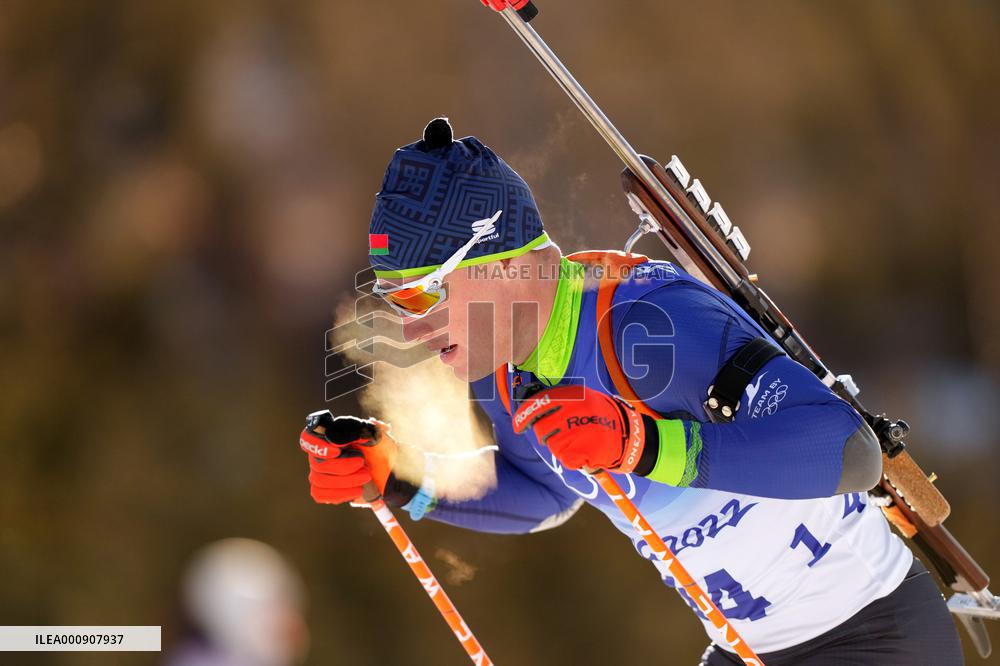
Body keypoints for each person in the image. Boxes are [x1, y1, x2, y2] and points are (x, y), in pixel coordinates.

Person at [298, 117, 964, 664]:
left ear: (505, 261)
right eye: (396, 300)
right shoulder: (505, 372)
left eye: (424, 292)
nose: (413, 326)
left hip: (873, 633)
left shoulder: (648, 322)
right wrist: (399, 478)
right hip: (748, 651)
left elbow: (849, 453)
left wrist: (641, 443)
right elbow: (548, 495)